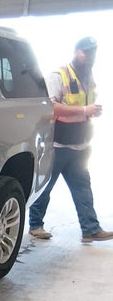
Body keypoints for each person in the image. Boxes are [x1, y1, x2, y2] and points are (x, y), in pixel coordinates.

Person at [28, 36, 113, 242]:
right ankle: (35, 225)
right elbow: (51, 106)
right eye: (87, 52)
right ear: (77, 52)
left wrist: (90, 112)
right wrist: (84, 109)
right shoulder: (59, 76)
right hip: (58, 144)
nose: (91, 56)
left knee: (83, 188)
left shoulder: (88, 76)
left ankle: (90, 229)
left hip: (80, 144)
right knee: (46, 186)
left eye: (93, 52)